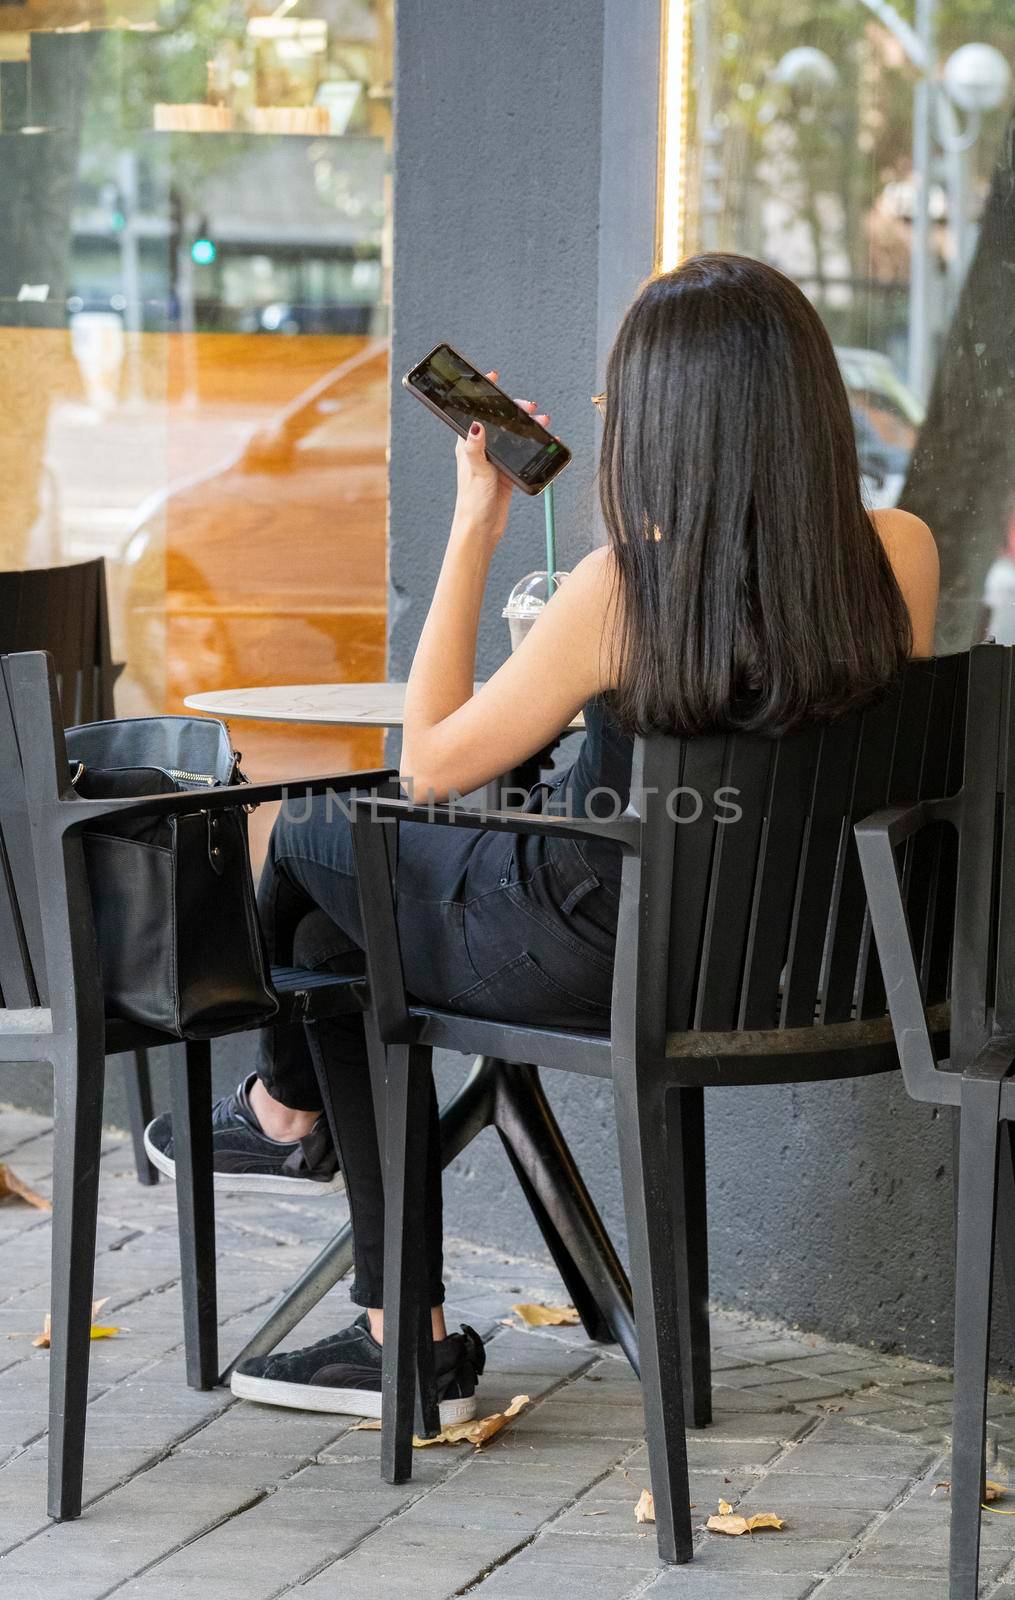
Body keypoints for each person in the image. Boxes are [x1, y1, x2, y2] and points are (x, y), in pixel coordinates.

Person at [145, 253, 939, 1423]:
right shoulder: (902, 550)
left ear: (671, 424)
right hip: (813, 964)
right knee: (353, 927)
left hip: (602, 944)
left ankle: (292, 1131)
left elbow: (425, 762)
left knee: (322, 838)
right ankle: (352, 1248)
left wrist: (476, 519)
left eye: (623, 405)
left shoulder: (623, 590)